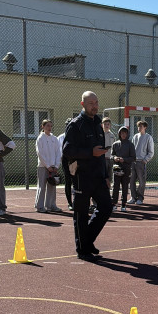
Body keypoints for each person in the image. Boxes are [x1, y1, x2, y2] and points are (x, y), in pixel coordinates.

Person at [62, 91, 112, 260]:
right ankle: (82, 250)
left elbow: (102, 152)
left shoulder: (98, 123)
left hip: (98, 176)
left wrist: (106, 175)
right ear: (83, 104)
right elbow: (67, 150)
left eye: (96, 102)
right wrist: (90, 152)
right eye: (91, 103)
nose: (95, 106)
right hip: (82, 176)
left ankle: (87, 240)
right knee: (81, 213)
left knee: (106, 207)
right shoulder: (76, 125)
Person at [35, 120, 62, 213]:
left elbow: (58, 153)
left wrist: (56, 165)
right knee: (41, 186)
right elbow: (40, 153)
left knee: (52, 186)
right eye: (47, 126)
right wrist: (47, 165)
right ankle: (40, 206)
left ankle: (51, 205)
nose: (49, 128)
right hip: (43, 166)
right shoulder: (40, 138)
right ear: (43, 127)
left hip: (53, 166)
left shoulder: (54, 139)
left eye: (50, 126)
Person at [128, 120, 154, 205]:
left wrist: (145, 160)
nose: (139, 128)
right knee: (131, 181)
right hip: (133, 162)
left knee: (141, 181)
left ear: (145, 127)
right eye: (138, 126)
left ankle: (140, 198)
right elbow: (132, 149)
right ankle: (133, 197)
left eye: (141, 126)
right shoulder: (135, 136)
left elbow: (151, 152)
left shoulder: (148, 137)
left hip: (141, 162)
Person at [111, 127, 136, 212]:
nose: (123, 134)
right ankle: (114, 204)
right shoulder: (115, 144)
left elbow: (133, 158)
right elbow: (112, 155)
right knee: (115, 187)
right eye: (122, 133)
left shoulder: (130, 144)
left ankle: (123, 204)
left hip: (126, 168)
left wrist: (124, 159)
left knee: (125, 186)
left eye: (125, 133)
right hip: (117, 168)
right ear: (119, 134)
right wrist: (115, 158)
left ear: (127, 134)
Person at [58, 118, 73, 209]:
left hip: (74, 161)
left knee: (76, 181)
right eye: (67, 125)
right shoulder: (60, 137)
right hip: (65, 160)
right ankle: (69, 203)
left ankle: (76, 202)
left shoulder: (76, 136)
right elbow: (59, 152)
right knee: (68, 181)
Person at [102, 117, 116, 188]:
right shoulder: (100, 135)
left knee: (109, 176)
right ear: (102, 125)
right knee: (102, 176)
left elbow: (114, 147)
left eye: (108, 124)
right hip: (102, 158)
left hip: (110, 159)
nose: (106, 126)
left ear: (110, 125)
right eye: (105, 124)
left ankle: (107, 192)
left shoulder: (112, 135)